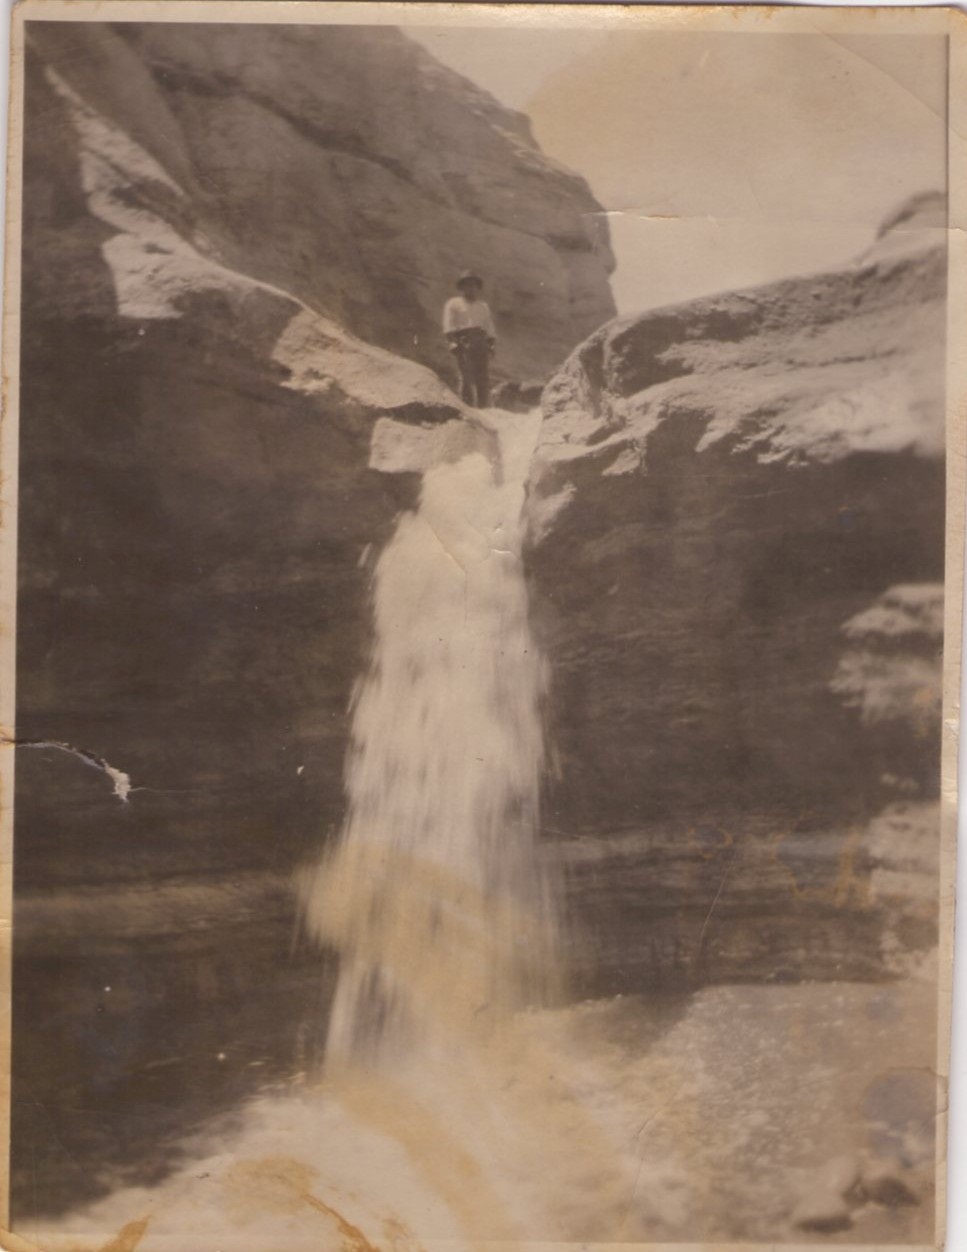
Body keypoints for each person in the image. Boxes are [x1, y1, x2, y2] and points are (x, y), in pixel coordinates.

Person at [442, 271, 496, 408]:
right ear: (461, 287)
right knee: (466, 375)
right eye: (467, 285)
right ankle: (466, 408)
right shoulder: (453, 303)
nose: (471, 288)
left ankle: (485, 408)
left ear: (478, 288)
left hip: (481, 340)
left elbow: (489, 326)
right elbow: (449, 324)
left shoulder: (483, 306)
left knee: (482, 375)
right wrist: (452, 342)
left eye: (474, 285)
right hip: (464, 340)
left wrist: (491, 344)